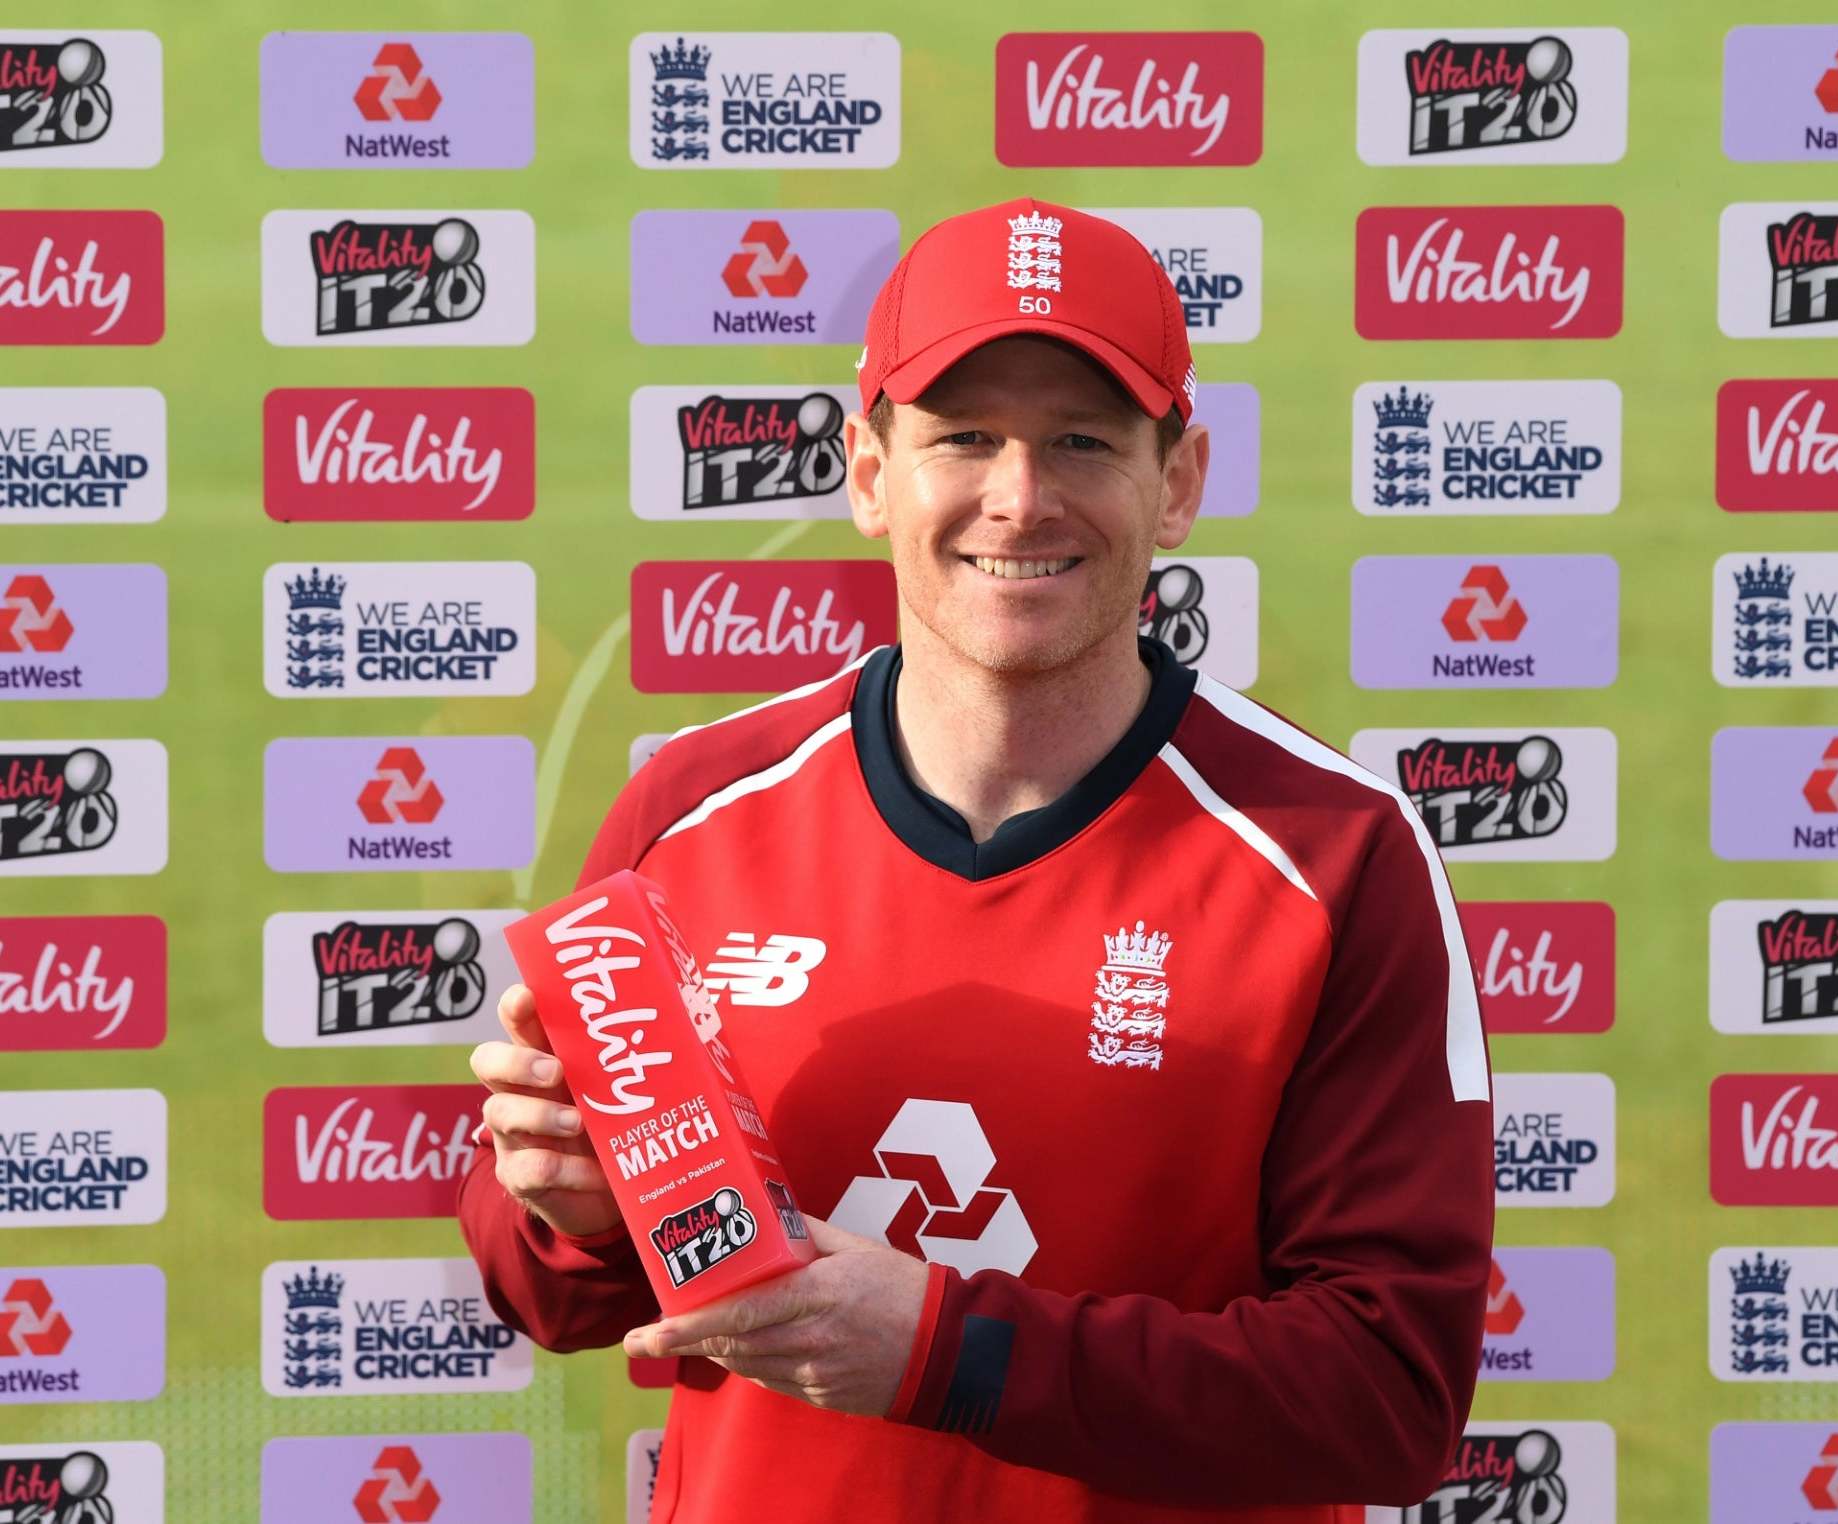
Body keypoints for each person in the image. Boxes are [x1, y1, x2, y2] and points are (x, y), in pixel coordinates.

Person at [458, 197, 1494, 1524]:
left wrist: (954, 1354)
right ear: (870, 472)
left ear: (1176, 482)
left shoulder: (1335, 855)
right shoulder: (691, 813)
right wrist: (571, 1212)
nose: (1019, 498)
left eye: (1082, 439)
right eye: (964, 437)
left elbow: (1386, 1401)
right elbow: (549, 1293)